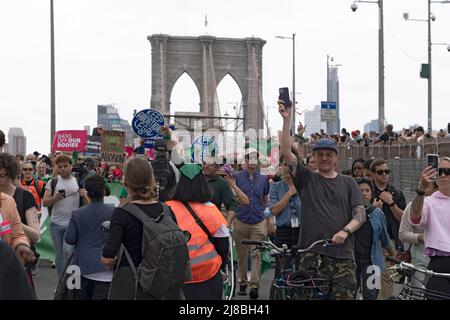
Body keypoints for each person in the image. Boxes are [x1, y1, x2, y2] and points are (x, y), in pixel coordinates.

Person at [278, 99, 366, 300]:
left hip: (343, 256)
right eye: (320, 155)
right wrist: (286, 120)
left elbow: (360, 215)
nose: (324, 158)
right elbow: (285, 153)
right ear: (314, 158)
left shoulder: (349, 183)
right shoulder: (306, 179)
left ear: (336, 158)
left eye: (329, 155)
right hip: (311, 255)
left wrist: (345, 231)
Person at [102, 157, 186, 300]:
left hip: (131, 286)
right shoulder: (166, 210)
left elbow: (108, 258)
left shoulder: (122, 214)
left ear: (125, 183)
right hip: (162, 284)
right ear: (151, 181)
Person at [165, 163, 230, 300]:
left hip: (176, 276)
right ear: (203, 184)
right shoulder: (211, 209)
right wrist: (221, 266)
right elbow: (223, 245)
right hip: (208, 276)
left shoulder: (167, 209)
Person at [65, 175, 114, 300]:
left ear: (87, 192)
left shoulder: (77, 214)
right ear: (104, 191)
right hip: (107, 269)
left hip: (82, 267)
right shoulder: (115, 212)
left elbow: (69, 239)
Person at [232, 148, 271, 299]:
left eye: (255, 158)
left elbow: (266, 199)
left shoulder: (263, 180)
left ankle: (254, 285)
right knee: (242, 255)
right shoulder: (236, 178)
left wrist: (267, 219)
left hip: (258, 220)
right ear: (246, 160)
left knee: (256, 253)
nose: (252, 161)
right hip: (241, 219)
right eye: (250, 158)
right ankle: (242, 281)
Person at [410, 157, 450, 297]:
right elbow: (415, 218)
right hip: (439, 264)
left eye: (447, 171)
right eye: (440, 172)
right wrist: (420, 190)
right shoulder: (429, 201)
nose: (443, 175)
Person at [43, 154, 87, 278]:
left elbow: (89, 204)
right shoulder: (53, 182)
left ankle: (71, 282)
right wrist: (54, 198)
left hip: (72, 224)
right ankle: (62, 284)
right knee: (59, 256)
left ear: (71, 166)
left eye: (66, 166)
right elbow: (44, 202)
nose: (63, 169)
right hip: (56, 224)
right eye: (60, 166)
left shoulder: (78, 182)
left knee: (69, 252)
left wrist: (84, 195)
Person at [353, 177, 395, 300]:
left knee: (370, 295)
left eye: (367, 190)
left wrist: (395, 257)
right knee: (349, 293)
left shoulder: (377, 213)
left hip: (372, 262)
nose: (364, 194)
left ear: (371, 193)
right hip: (352, 261)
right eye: (361, 190)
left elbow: (385, 239)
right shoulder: (348, 212)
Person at [370, 158, 406, 299]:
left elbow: (403, 218)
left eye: (387, 171)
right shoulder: (367, 191)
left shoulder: (396, 193)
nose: (384, 174)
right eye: (380, 172)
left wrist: (391, 203)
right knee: (372, 278)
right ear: (373, 174)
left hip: (390, 242)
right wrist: (373, 208)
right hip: (371, 242)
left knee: (387, 278)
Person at [399, 179, 437, 288]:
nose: (423, 190)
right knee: (418, 293)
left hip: (441, 260)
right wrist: (420, 237)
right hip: (419, 260)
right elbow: (402, 234)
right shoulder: (412, 206)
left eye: (427, 187)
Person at [202, 156, 239, 224]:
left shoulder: (222, 183)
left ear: (217, 167)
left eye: (210, 164)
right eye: (204, 163)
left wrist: (227, 223)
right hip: (194, 226)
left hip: (213, 225)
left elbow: (232, 205)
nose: (205, 166)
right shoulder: (196, 180)